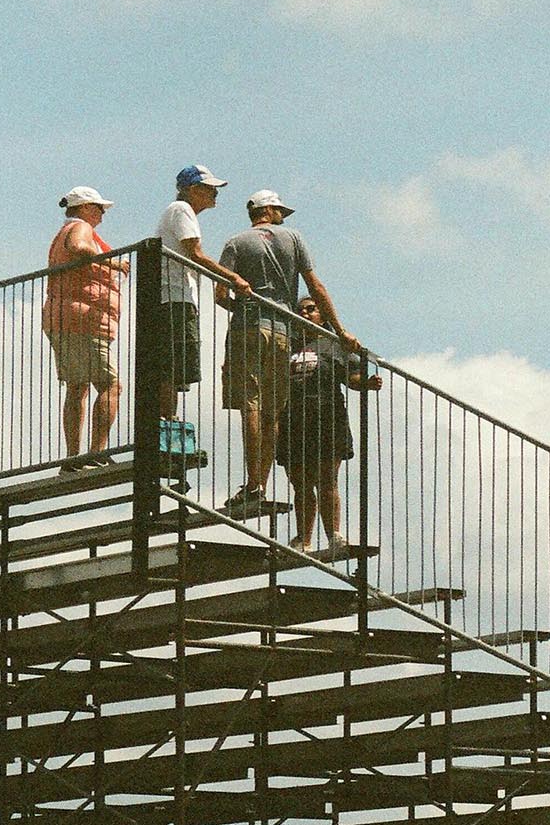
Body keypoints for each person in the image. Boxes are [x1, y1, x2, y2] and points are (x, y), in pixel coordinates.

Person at [216, 191, 358, 516]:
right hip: (283, 331)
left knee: (250, 404)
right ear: (266, 209)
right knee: (272, 410)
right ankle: (259, 483)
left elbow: (221, 295)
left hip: (248, 326)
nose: (282, 215)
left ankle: (253, 484)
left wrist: (244, 306)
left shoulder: (235, 242)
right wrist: (338, 329)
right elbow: (316, 286)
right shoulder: (293, 238)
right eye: (279, 210)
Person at [277, 296, 381, 549]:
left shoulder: (334, 344)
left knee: (326, 479)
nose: (305, 314)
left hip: (327, 416)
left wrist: (366, 384)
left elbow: (352, 377)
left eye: (311, 309)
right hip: (293, 417)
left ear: (323, 315)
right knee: (301, 483)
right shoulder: (286, 345)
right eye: (300, 310)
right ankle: (304, 539)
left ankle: (334, 535)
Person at [154, 165, 249, 420]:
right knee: (173, 364)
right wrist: (232, 277)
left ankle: (168, 417)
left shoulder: (181, 212)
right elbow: (195, 254)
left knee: (175, 366)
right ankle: (165, 418)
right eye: (210, 189)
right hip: (174, 296)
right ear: (193, 189)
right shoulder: (182, 210)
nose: (215, 193)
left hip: (176, 295)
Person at [42, 186, 125, 464]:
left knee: (77, 386)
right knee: (111, 385)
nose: (102, 213)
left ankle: (73, 458)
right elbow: (79, 247)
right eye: (99, 208)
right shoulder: (80, 228)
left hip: (64, 316)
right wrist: (112, 264)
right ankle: (96, 453)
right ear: (85, 207)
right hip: (83, 318)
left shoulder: (62, 232)